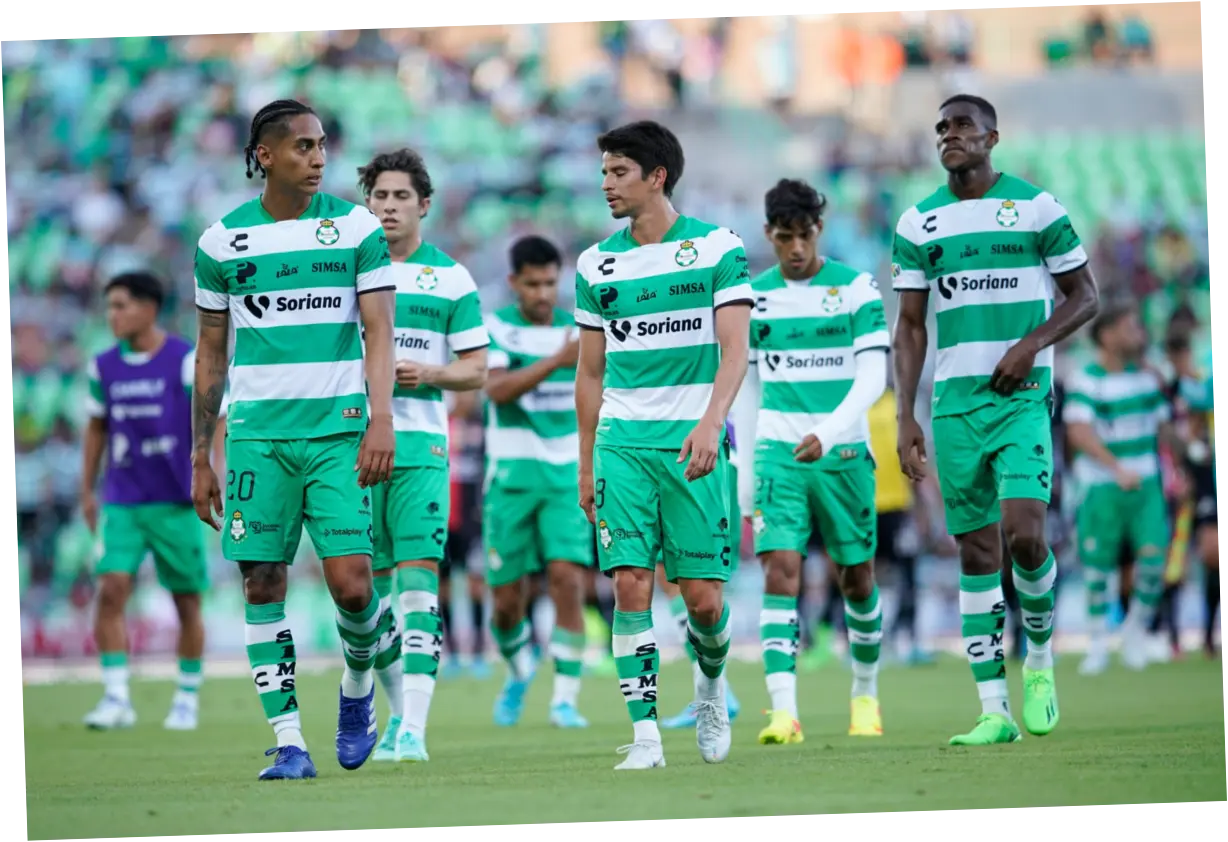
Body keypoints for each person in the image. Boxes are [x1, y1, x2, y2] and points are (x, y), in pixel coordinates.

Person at [191, 99, 398, 781]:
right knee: (262, 582)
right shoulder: (221, 244)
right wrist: (201, 453)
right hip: (257, 439)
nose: (318, 158)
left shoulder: (355, 228)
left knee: (352, 586)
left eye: (321, 146)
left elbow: (380, 334)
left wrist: (381, 417)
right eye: (304, 147)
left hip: (338, 433)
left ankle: (358, 690)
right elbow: (212, 356)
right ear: (265, 156)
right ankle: (288, 742)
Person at [891, 94, 1099, 746]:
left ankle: (1038, 658)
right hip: (954, 406)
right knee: (977, 552)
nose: (947, 136)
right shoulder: (919, 222)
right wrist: (906, 415)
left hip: (1021, 397)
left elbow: (1086, 295)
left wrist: (1029, 345)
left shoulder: (1037, 208)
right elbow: (911, 328)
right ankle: (994, 710)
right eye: (941, 129)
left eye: (960, 126)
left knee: (1025, 534)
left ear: (992, 137)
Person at [574, 120, 753, 770]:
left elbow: (736, 350)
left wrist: (710, 423)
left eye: (619, 172)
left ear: (657, 176)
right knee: (628, 584)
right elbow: (590, 372)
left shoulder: (715, 248)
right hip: (622, 445)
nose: (606, 185)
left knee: (704, 599)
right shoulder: (596, 263)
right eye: (603, 173)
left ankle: (710, 684)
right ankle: (645, 736)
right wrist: (587, 458)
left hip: (692, 447)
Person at [731, 178, 889, 745]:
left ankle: (865, 693)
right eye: (784, 238)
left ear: (818, 230)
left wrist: (828, 430)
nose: (796, 249)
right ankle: (783, 711)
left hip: (843, 452)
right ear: (768, 235)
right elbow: (746, 387)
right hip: (779, 454)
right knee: (780, 570)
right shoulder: (753, 299)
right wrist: (745, 470)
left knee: (857, 578)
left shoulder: (855, 289)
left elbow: (874, 376)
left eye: (804, 236)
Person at [358, 148, 490, 763]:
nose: (389, 207)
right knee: (363, 599)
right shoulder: (343, 272)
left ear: (424, 205)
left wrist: (430, 374)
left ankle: (412, 727)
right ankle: (390, 714)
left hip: (420, 447)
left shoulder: (450, 278)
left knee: (417, 588)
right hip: (349, 450)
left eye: (400, 197)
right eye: (379, 196)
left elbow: (477, 371)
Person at [80, 271, 213, 732]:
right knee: (111, 588)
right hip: (123, 499)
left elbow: (209, 416)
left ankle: (186, 698)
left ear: (149, 308)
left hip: (175, 500)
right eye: (109, 306)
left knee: (186, 602)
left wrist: (209, 468)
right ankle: (116, 697)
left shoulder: (183, 359)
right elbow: (96, 427)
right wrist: (87, 489)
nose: (112, 315)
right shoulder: (103, 366)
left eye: (120, 305)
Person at [481, 234, 593, 729]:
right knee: (507, 603)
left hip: (567, 476)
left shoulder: (580, 331)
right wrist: (553, 362)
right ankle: (519, 666)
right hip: (511, 478)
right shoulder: (496, 329)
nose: (544, 294)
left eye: (550, 283)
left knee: (568, 580)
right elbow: (497, 390)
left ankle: (565, 699)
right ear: (514, 284)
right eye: (533, 284)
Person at [1065, 302, 1175, 673]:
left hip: (1146, 485)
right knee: (1098, 567)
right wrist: (1116, 467)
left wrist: (1182, 467)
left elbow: (1163, 429)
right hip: (1101, 486)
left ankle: (1134, 631)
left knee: (1154, 560)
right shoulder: (1087, 379)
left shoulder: (1147, 379)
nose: (1138, 334)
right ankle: (1097, 643)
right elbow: (1079, 432)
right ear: (1108, 335)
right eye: (1130, 328)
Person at [660, 417, 744, 730]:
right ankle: (716, 687)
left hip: (709, 456)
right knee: (667, 573)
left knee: (700, 585)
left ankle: (717, 688)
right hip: (667, 449)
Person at [866, 379, 933, 665]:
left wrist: (923, 509)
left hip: (898, 506)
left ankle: (907, 637)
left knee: (906, 572)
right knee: (863, 575)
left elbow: (915, 459)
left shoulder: (901, 408)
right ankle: (865, 637)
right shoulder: (858, 405)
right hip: (865, 506)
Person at [1165, 330, 1223, 657]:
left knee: (1210, 556)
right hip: (1195, 480)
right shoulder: (1184, 388)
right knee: (1186, 557)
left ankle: (1207, 637)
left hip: (1202, 477)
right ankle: (1180, 637)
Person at [439, 390, 491, 679]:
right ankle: (453, 652)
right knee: (443, 587)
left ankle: (480, 651)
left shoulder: (481, 426)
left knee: (475, 584)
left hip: (473, 523)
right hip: (443, 522)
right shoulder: (438, 424)